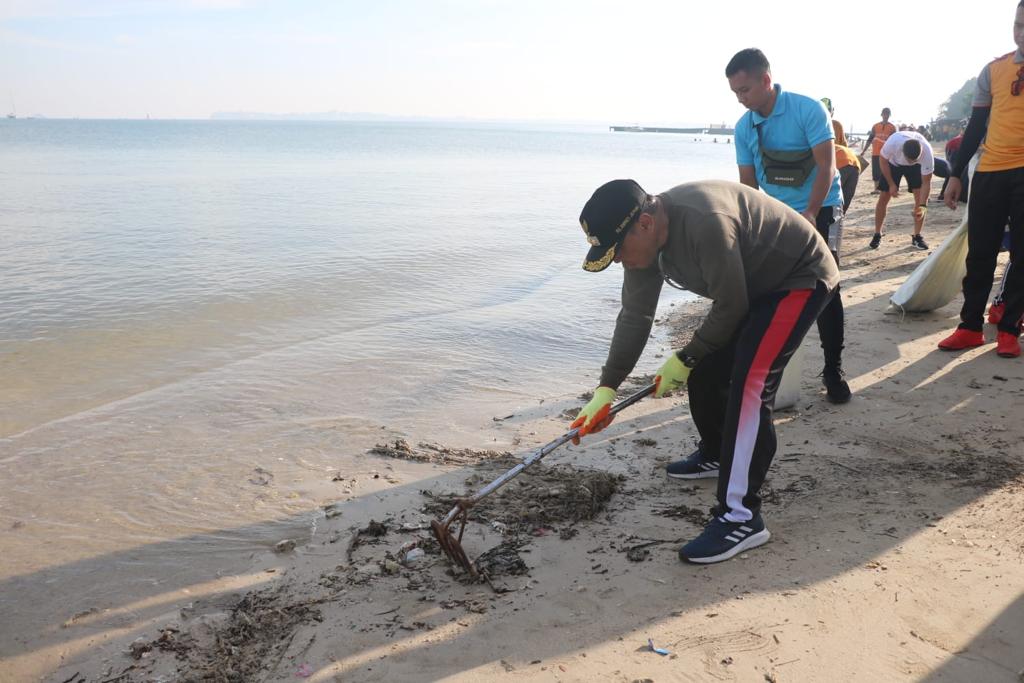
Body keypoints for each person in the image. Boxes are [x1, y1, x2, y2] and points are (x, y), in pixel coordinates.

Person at [571, 179, 839, 563]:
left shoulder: (705, 221)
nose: (616, 260)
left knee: (751, 385)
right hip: (751, 285)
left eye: (617, 250)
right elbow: (635, 316)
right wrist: (606, 389)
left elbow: (731, 306)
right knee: (706, 371)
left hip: (798, 276)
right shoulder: (646, 244)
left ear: (644, 223)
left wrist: (685, 356)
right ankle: (716, 453)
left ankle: (741, 517)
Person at [724, 48, 852, 405]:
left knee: (827, 288)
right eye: (735, 92)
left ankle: (833, 370)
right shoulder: (744, 127)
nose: (740, 99)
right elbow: (749, 185)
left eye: (745, 90)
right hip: (778, 213)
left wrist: (810, 212)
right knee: (770, 291)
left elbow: (826, 166)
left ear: (766, 80)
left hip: (822, 207)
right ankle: (767, 372)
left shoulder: (808, 110)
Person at [938, 1, 1024, 359]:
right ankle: (970, 326)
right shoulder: (994, 70)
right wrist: (955, 175)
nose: (1021, 33)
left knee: (1022, 254)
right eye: (1018, 25)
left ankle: (1009, 329)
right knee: (981, 252)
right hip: (990, 170)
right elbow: (975, 126)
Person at [868, 129, 934, 250]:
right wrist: (891, 184)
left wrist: (923, 207)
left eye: (915, 159)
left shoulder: (927, 153)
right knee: (884, 197)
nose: (911, 162)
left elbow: (926, 183)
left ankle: (917, 236)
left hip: (916, 168)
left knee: (920, 198)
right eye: (910, 160)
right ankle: (877, 234)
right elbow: (882, 161)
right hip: (893, 164)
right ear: (902, 151)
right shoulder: (893, 143)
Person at [863, 108, 897, 191]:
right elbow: (870, 139)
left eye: (887, 114)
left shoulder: (892, 127)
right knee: (876, 171)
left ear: (889, 115)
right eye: (884, 114)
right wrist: (864, 150)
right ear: (881, 114)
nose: (886, 116)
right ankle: (876, 189)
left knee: (886, 170)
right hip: (875, 152)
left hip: (887, 153)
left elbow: (894, 141)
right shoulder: (875, 126)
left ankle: (884, 188)